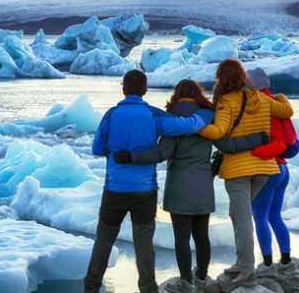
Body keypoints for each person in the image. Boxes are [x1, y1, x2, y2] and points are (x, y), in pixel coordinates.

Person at [112, 79, 267, 293]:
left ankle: (186, 282)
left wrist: (131, 156)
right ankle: (201, 278)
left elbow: (160, 153)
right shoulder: (208, 119)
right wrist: (258, 137)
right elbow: (229, 145)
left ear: (177, 95)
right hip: (203, 184)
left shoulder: (174, 120)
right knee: (201, 235)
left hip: (178, 188)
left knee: (182, 237)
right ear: (198, 95)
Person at [84, 70, 210, 293]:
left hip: (115, 188)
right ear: (145, 90)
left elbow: (97, 148)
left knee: (104, 239)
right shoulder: (153, 115)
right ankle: (148, 287)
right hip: (144, 191)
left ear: (123, 90)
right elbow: (188, 125)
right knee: (143, 241)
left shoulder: (111, 115)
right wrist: (207, 114)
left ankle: (91, 286)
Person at [197, 59, 293, 288]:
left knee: (243, 220)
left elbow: (218, 131)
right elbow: (286, 110)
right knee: (235, 214)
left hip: (239, 170)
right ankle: (241, 263)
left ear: (222, 78)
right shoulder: (261, 97)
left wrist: (194, 125)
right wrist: (279, 96)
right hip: (264, 169)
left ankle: (248, 272)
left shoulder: (226, 102)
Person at [216, 68, 299, 276]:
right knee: (275, 215)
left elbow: (276, 142)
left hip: (269, 167)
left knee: (259, 216)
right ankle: (286, 260)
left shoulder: (259, 105)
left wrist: (254, 150)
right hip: (283, 169)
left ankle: (268, 265)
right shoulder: (278, 104)